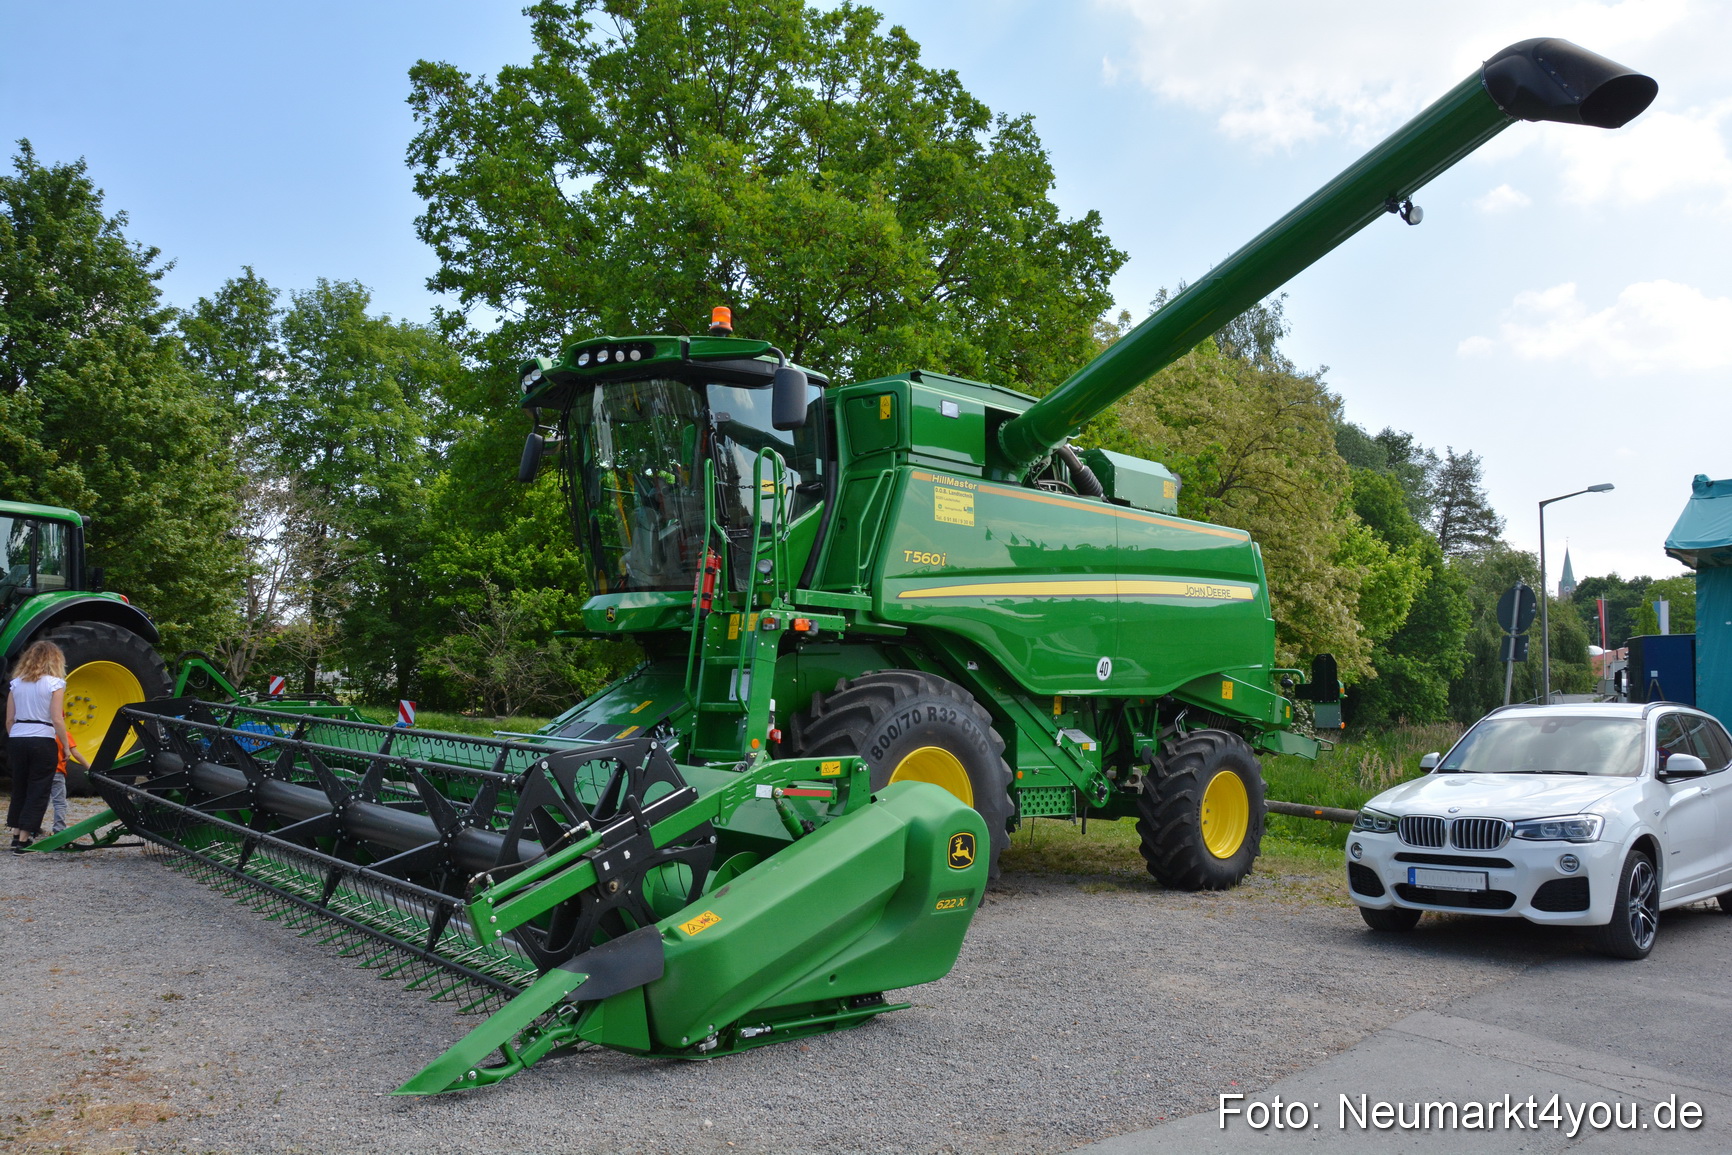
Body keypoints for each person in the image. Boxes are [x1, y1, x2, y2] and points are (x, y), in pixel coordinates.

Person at [6, 640, 71, 851]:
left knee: (20, 787)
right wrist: (66, 746)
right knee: (38, 789)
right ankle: (24, 839)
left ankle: (16, 832)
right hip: (42, 739)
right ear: (55, 660)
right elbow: (57, 719)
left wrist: (16, 737)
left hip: (17, 738)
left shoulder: (16, 684)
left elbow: (9, 720)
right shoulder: (55, 684)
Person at [50, 732, 89, 835]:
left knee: (39, 802)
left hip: (41, 774)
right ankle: (59, 830)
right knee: (59, 803)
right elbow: (75, 754)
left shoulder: (41, 732)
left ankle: (31, 830)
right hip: (57, 773)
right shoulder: (64, 734)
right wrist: (90, 767)